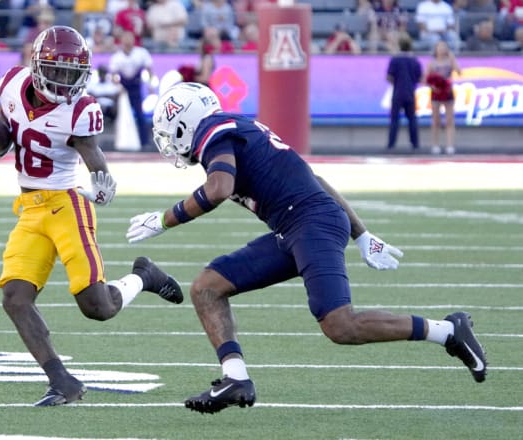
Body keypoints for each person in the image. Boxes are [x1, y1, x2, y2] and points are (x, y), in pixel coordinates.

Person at [125, 82, 487, 414]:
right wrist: (360, 234)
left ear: (185, 123)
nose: (168, 143)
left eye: (169, 134)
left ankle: (448, 331)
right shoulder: (236, 128)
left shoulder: (215, 133)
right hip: (296, 226)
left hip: (310, 224)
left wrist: (163, 219)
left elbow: (218, 189)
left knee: (340, 326)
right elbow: (315, 179)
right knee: (207, 287)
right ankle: (235, 378)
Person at [0, 25, 184, 407]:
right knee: (15, 297)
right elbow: (7, 128)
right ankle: (62, 380)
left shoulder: (80, 110)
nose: (64, 82)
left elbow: (94, 158)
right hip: (29, 208)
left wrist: (101, 183)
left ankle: (144, 277)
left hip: (66, 205)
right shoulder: (12, 83)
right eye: (57, 72)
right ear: (37, 66)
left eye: (72, 73)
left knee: (98, 307)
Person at [109, 30, 154, 149]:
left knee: (140, 114)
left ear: (134, 40)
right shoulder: (117, 57)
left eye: (130, 38)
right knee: (122, 115)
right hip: (124, 89)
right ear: (121, 40)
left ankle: (144, 142)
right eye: (126, 38)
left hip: (136, 87)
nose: (128, 41)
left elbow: (148, 69)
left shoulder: (141, 53)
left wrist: (149, 84)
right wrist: (118, 87)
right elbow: (113, 75)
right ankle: (120, 141)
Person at [424, 40, 461, 154]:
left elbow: (459, 72)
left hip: (447, 92)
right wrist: (433, 86)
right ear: (436, 49)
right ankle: (435, 144)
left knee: (449, 120)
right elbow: (425, 79)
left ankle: (450, 145)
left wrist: (453, 59)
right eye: (439, 47)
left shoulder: (450, 62)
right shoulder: (432, 63)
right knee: (436, 120)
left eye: (444, 47)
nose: (441, 50)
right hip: (436, 92)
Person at [386, 36, 422, 151]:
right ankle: (415, 144)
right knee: (412, 119)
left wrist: (396, 83)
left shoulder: (395, 60)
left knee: (395, 119)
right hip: (410, 92)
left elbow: (389, 77)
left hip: (398, 92)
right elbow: (420, 77)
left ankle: (391, 144)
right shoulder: (414, 61)